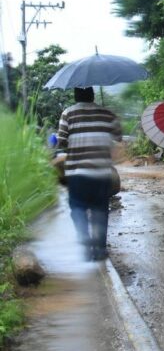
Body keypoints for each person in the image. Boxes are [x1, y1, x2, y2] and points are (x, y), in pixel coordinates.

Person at [57, 86, 122, 261]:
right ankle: (99, 250)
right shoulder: (107, 114)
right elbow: (118, 137)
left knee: (78, 208)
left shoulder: (68, 113)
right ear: (93, 95)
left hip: (77, 173)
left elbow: (61, 142)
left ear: (75, 95)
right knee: (100, 210)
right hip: (101, 173)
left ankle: (85, 243)